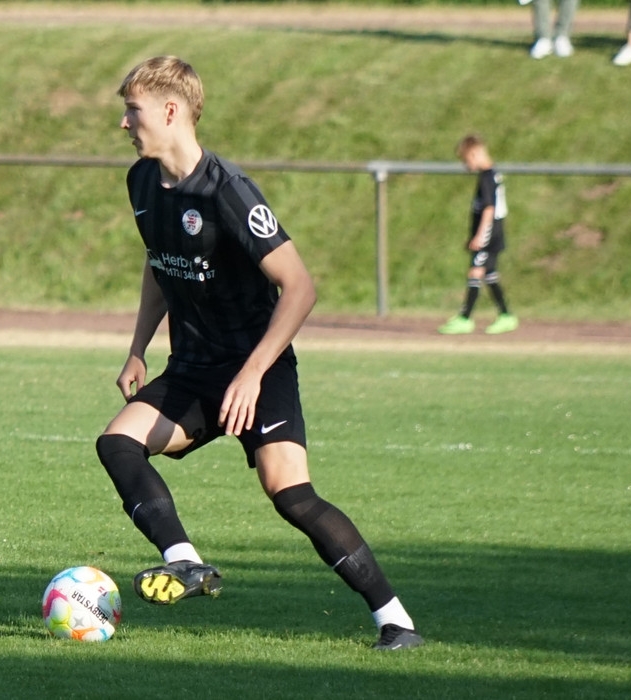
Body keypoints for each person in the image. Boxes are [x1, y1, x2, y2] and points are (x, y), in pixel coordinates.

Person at [95, 56, 422, 651]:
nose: (124, 123)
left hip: (259, 368)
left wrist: (251, 374)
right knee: (117, 443)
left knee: (290, 494)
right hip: (194, 369)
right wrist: (137, 348)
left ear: (170, 111)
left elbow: (300, 287)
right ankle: (184, 561)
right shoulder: (140, 181)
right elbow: (158, 262)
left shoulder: (229, 191)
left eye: (132, 110)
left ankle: (395, 620)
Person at [439, 135, 519, 335]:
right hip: (494, 230)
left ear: (474, 154)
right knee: (489, 273)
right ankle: (506, 315)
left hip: (489, 232)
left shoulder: (486, 177)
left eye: (466, 160)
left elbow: (489, 208)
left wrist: (480, 235)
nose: (466, 165)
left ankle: (465, 318)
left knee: (475, 272)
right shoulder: (492, 174)